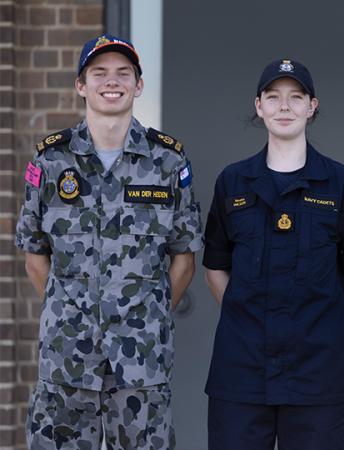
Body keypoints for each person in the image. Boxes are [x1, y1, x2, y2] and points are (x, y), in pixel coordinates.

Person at [15, 35, 203, 449]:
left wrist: (148, 314)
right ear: (81, 85)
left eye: (123, 73)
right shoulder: (51, 161)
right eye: (99, 73)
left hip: (141, 359)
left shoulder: (168, 162)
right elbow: (34, 256)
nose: (111, 81)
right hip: (66, 357)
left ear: (139, 85)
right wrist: (72, 311)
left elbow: (184, 259)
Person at [202, 58, 344, 450]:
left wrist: (331, 330)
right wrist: (247, 321)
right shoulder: (233, 182)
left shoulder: (340, 182)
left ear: (312, 106)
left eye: (296, 97)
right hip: (242, 371)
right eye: (273, 97)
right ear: (259, 105)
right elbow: (214, 268)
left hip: (320, 374)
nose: (284, 106)